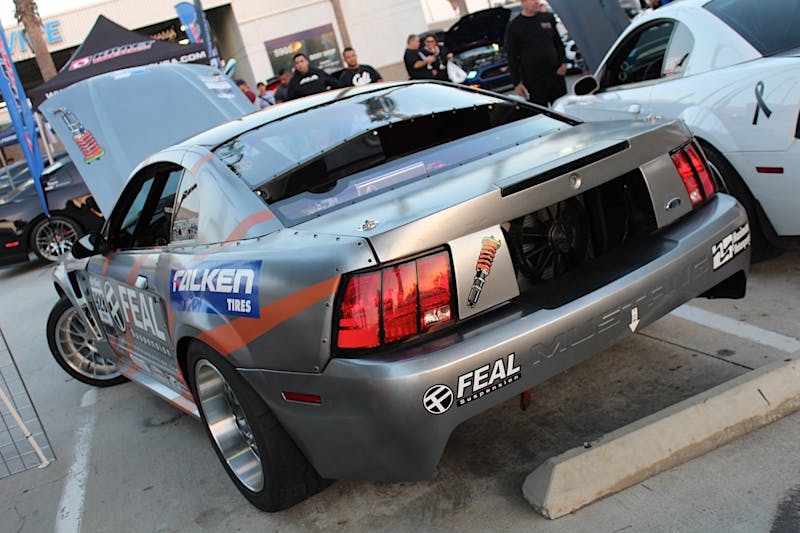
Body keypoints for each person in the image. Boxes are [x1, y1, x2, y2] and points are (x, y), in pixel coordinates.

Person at [504, 0, 568, 107]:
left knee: (562, 108)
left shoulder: (547, 18)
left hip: (555, 75)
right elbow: (512, 56)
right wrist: (516, 83)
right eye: (532, 0)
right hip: (533, 80)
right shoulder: (514, 26)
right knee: (540, 114)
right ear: (523, 2)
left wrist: (563, 63)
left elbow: (558, 43)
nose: (536, 2)